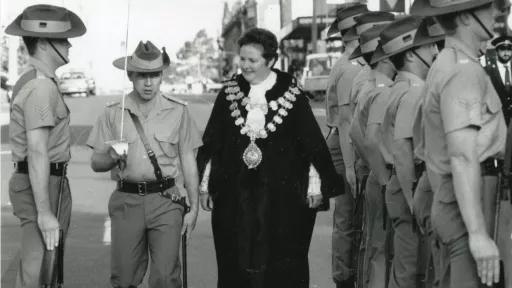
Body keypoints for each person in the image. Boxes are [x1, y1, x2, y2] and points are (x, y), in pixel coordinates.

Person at [196, 28, 344, 288]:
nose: (245, 65)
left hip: (283, 201)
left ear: (271, 61)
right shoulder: (229, 92)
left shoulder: (292, 95)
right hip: (235, 198)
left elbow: (311, 144)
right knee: (235, 261)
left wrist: (315, 185)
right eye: (242, 59)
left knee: (282, 265)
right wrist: (205, 183)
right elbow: (211, 142)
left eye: (252, 60)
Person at [87, 41, 202, 288]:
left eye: (154, 75)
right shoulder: (113, 112)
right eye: (142, 76)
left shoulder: (178, 111)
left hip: (166, 201)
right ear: (131, 75)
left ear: (162, 76)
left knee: (165, 276)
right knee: (124, 277)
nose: (148, 83)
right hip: (127, 201)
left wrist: (194, 207)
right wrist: (112, 156)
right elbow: (96, 162)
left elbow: (188, 160)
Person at [411, 0, 506, 286]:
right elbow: (463, 155)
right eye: (488, 7)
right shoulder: (463, 71)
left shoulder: (449, 62)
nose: (496, 12)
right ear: (466, 17)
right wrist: (477, 233)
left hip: (458, 200)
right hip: (467, 206)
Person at [5, 4, 86, 287]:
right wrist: (44, 212)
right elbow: (37, 149)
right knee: (38, 271)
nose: (69, 44)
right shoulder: (41, 87)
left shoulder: (38, 81)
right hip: (41, 182)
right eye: (63, 39)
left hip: (47, 180)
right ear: (42, 42)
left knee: (46, 271)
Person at [374, 16, 444, 288]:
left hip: (403, 184)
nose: (436, 52)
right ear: (413, 54)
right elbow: (403, 150)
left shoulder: (398, 88)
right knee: (414, 272)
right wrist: (414, 200)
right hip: (411, 185)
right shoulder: (413, 93)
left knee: (408, 269)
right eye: (429, 47)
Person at [326, 4, 368, 288]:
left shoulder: (355, 62)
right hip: (346, 149)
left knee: (352, 219)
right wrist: (352, 168)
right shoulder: (351, 68)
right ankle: (345, 279)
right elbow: (345, 122)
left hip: (349, 146)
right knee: (349, 219)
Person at [485, 35, 512, 124]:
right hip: (498, 117)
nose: (506, 53)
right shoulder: (488, 70)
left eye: (509, 50)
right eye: (502, 50)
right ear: (497, 51)